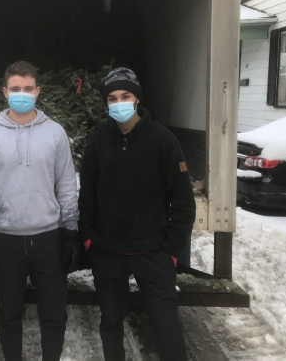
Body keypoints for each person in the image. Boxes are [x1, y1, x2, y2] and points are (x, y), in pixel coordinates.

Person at [0, 61, 81, 361]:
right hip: (6, 240)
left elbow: (67, 185)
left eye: (28, 89)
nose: (22, 94)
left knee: (54, 315)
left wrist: (71, 232)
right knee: (9, 315)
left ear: (38, 92)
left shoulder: (55, 133)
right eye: (15, 89)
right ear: (5, 92)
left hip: (48, 239)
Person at [78, 67, 196, 361]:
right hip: (108, 251)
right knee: (111, 323)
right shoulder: (98, 141)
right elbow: (87, 194)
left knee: (166, 326)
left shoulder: (163, 140)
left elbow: (182, 198)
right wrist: (89, 239)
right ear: (106, 102)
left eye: (126, 96)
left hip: (153, 252)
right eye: (112, 97)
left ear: (137, 99)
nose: (119, 102)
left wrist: (171, 249)